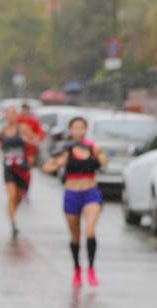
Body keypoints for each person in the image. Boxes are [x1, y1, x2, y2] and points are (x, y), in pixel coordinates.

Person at [41, 116, 107, 288]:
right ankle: (77, 268)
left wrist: (100, 156)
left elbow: (104, 163)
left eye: (82, 127)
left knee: (90, 230)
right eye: (75, 128)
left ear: (86, 130)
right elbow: (46, 167)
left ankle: (91, 269)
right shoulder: (64, 148)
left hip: (91, 192)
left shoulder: (93, 147)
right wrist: (58, 164)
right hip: (71, 194)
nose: (78, 131)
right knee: (75, 236)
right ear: (70, 131)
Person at [0, 105, 39, 237]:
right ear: (5, 116)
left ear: (16, 115)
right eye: (8, 114)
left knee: (19, 196)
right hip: (8, 166)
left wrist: (28, 142)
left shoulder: (23, 128)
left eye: (13, 113)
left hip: (21, 165)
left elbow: (36, 140)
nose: (11, 116)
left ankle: (13, 212)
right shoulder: (2, 131)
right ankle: (12, 221)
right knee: (12, 195)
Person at [18, 103, 46, 168]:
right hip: (20, 146)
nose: (25, 112)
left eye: (26, 110)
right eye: (23, 110)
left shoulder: (34, 121)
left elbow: (40, 133)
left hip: (30, 146)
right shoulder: (18, 120)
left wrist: (36, 138)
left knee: (29, 163)